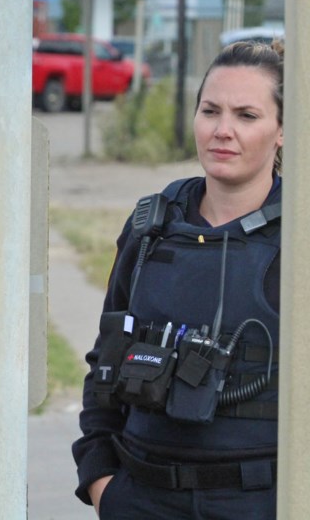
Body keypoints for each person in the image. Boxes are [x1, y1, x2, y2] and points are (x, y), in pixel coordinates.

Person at [72, 40, 285, 519]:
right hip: (141, 497)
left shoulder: (300, 237)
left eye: (247, 116)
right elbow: (104, 365)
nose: (222, 131)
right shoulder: (151, 227)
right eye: (211, 111)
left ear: (282, 132)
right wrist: (102, 481)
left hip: (257, 503)